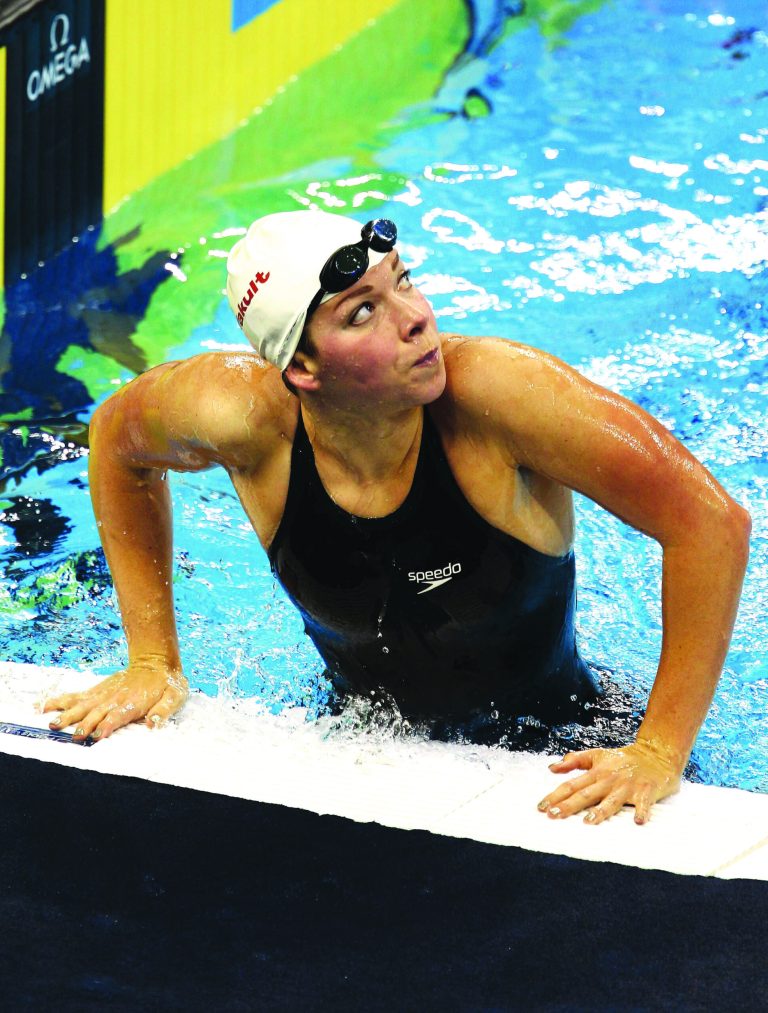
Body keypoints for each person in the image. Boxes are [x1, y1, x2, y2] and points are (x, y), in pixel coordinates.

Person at [43, 211, 750, 826]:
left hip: (570, 752)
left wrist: (658, 749)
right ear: (303, 371)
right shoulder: (244, 418)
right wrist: (152, 661)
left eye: (404, 279)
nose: (416, 315)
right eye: (361, 311)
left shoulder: (501, 399)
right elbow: (113, 437)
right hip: (362, 743)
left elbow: (711, 522)